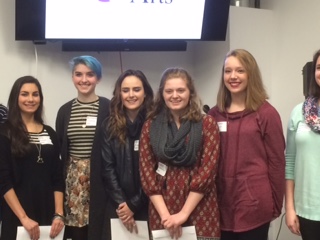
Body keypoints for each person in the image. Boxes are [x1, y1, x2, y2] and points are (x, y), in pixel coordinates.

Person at [208, 49, 285, 240]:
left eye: (240, 71)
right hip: (221, 205)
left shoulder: (266, 113)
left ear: (250, 74)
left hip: (255, 206)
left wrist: (276, 202)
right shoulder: (213, 115)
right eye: (228, 71)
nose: (233, 76)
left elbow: (277, 161)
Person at [139, 67, 220, 240]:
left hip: (200, 207)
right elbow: (147, 173)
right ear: (162, 94)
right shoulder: (150, 126)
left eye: (180, 90)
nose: (175, 95)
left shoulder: (207, 124)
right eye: (169, 91)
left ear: (190, 92)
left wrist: (183, 214)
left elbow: (207, 172)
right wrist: (166, 216)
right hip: (162, 209)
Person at [0, 76, 65, 240]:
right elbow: (3, 180)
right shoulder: (5, 132)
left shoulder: (50, 132)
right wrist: (23, 218)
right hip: (17, 215)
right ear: (16, 97)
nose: (30, 99)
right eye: (25, 94)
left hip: (48, 214)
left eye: (35, 94)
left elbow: (57, 177)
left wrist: (59, 214)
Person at [55, 55, 110, 240]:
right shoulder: (64, 111)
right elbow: (61, 148)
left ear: (98, 78)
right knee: (77, 234)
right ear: (72, 78)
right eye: (78, 74)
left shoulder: (109, 108)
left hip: (99, 180)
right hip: (73, 183)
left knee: (98, 232)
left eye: (90, 74)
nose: (84, 80)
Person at [101, 69, 153, 239]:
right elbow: (108, 169)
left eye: (136, 90)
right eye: (125, 90)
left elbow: (157, 170)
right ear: (119, 94)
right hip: (118, 206)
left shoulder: (156, 123)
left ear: (145, 93)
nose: (131, 95)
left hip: (150, 204)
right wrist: (124, 205)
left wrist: (135, 204)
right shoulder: (109, 125)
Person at [285, 49, 320, 240]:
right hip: (307, 210)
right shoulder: (299, 112)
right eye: (319, 67)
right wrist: (290, 208)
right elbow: (290, 162)